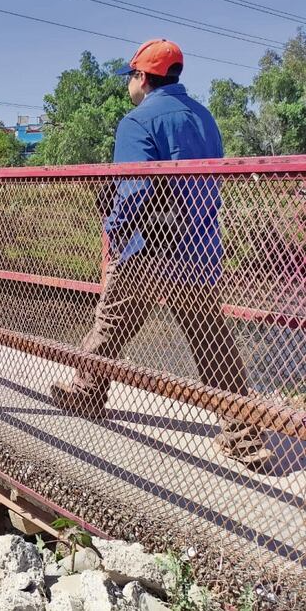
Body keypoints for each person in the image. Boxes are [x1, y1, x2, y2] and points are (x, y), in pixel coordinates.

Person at [50, 39, 272, 470]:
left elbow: (135, 191)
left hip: (147, 251)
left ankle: (87, 394)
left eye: (130, 78)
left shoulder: (137, 121)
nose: (129, 86)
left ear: (142, 78)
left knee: (111, 324)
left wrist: (113, 230)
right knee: (212, 343)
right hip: (198, 249)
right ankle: (245, 437)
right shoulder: (205, 119)